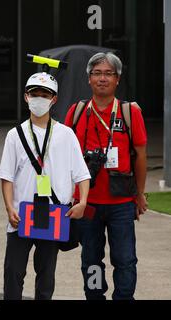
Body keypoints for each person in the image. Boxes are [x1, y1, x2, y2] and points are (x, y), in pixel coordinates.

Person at [0, 72, 91, 300]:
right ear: (26, 97)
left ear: (54, 99)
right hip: (22, 214)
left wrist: (83, 202)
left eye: (45, 94)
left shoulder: (66, 134)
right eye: (34, 94)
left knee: (46, 274)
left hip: (53, 214)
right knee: (13, 272)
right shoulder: (15, 135)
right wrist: (9, 207)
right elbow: (6, 177)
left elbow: (82, 174)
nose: (39, 98)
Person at [64, 52, 148, 300]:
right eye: (97, 73)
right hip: (86, 202)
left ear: (118, 79)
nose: (102, 78)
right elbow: (64, 154)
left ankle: (124, 297)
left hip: (121, 201)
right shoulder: (77, 112)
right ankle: (95, 296)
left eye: (108, 73)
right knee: (91, 258)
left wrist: (140, 195)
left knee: (125, 259)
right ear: (88, 78)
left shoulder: (130, 113)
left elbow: (141, 157)